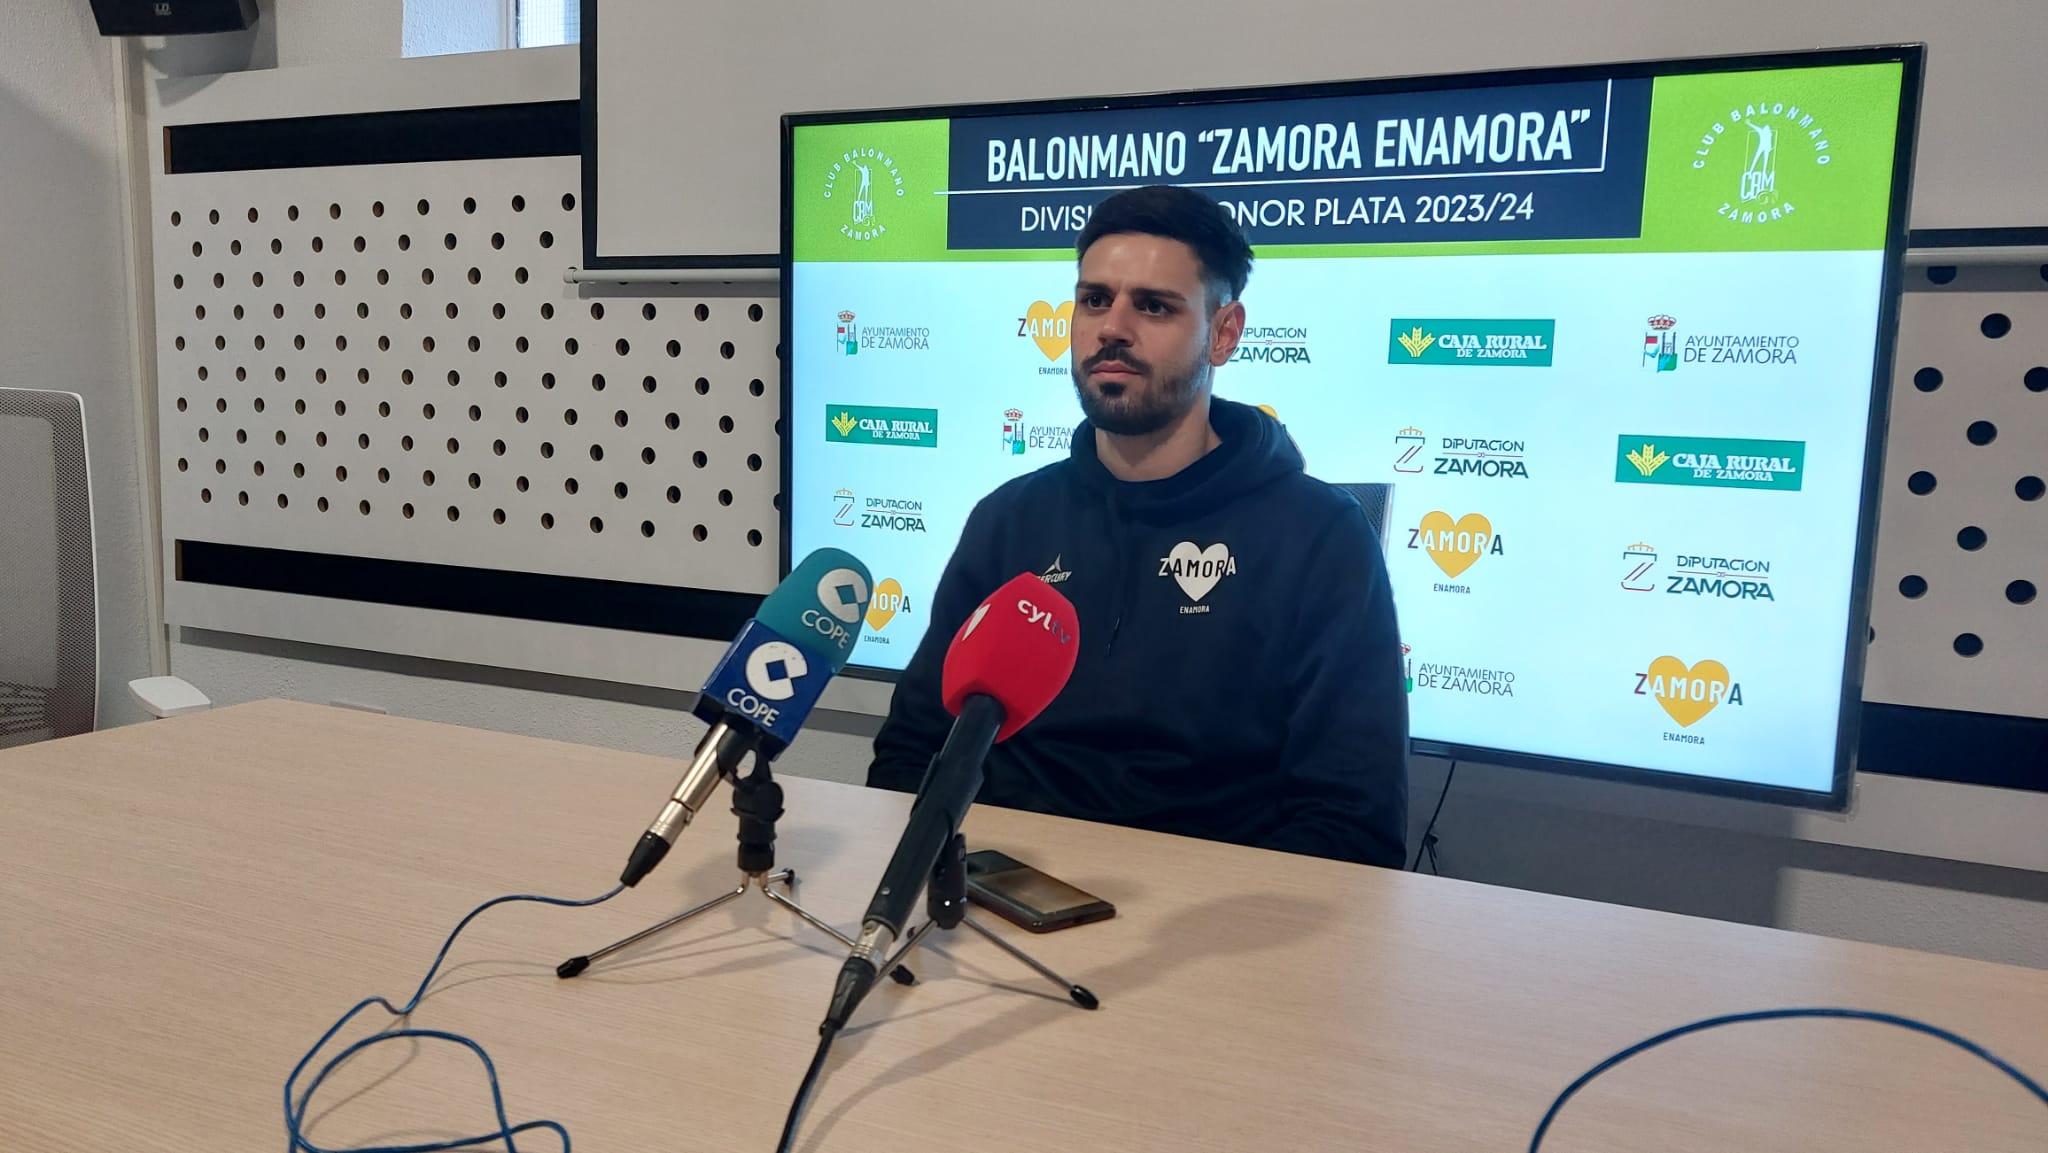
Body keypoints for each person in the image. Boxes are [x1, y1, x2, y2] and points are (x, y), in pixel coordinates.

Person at [866, 184, 1408, 868]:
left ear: (1224, 332)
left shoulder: (1321, 536)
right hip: (993, 900)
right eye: (1095, 299)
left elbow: (1351, 823)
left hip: (1208, 932)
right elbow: (914, 751)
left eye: (1153, 305)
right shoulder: (1008, 519)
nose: (1112, 327)